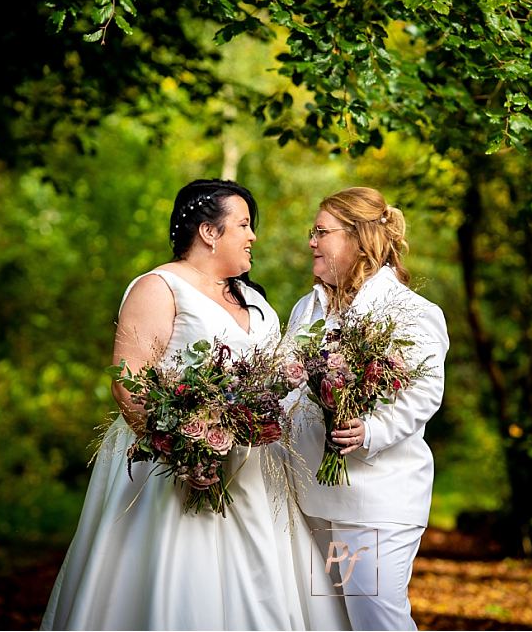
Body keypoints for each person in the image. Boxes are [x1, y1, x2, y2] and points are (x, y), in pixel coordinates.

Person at [42, 178, 349, 630]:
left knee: (265, 584)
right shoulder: (159, 287)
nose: (252, 236)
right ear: (209, 232)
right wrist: (182, 451)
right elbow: (130, 384)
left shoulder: (257, 301)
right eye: (243, 224)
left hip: (255, 471)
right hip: (171, 469)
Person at [287, 187, 450, 630]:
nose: (312, 242)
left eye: (321, 232)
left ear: (358, 238)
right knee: (337, 619)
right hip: (318, 500)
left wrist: (370, 431)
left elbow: (425, 391)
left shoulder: (408, 310)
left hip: (374, 498)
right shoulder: (309, 307)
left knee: (375, 616)